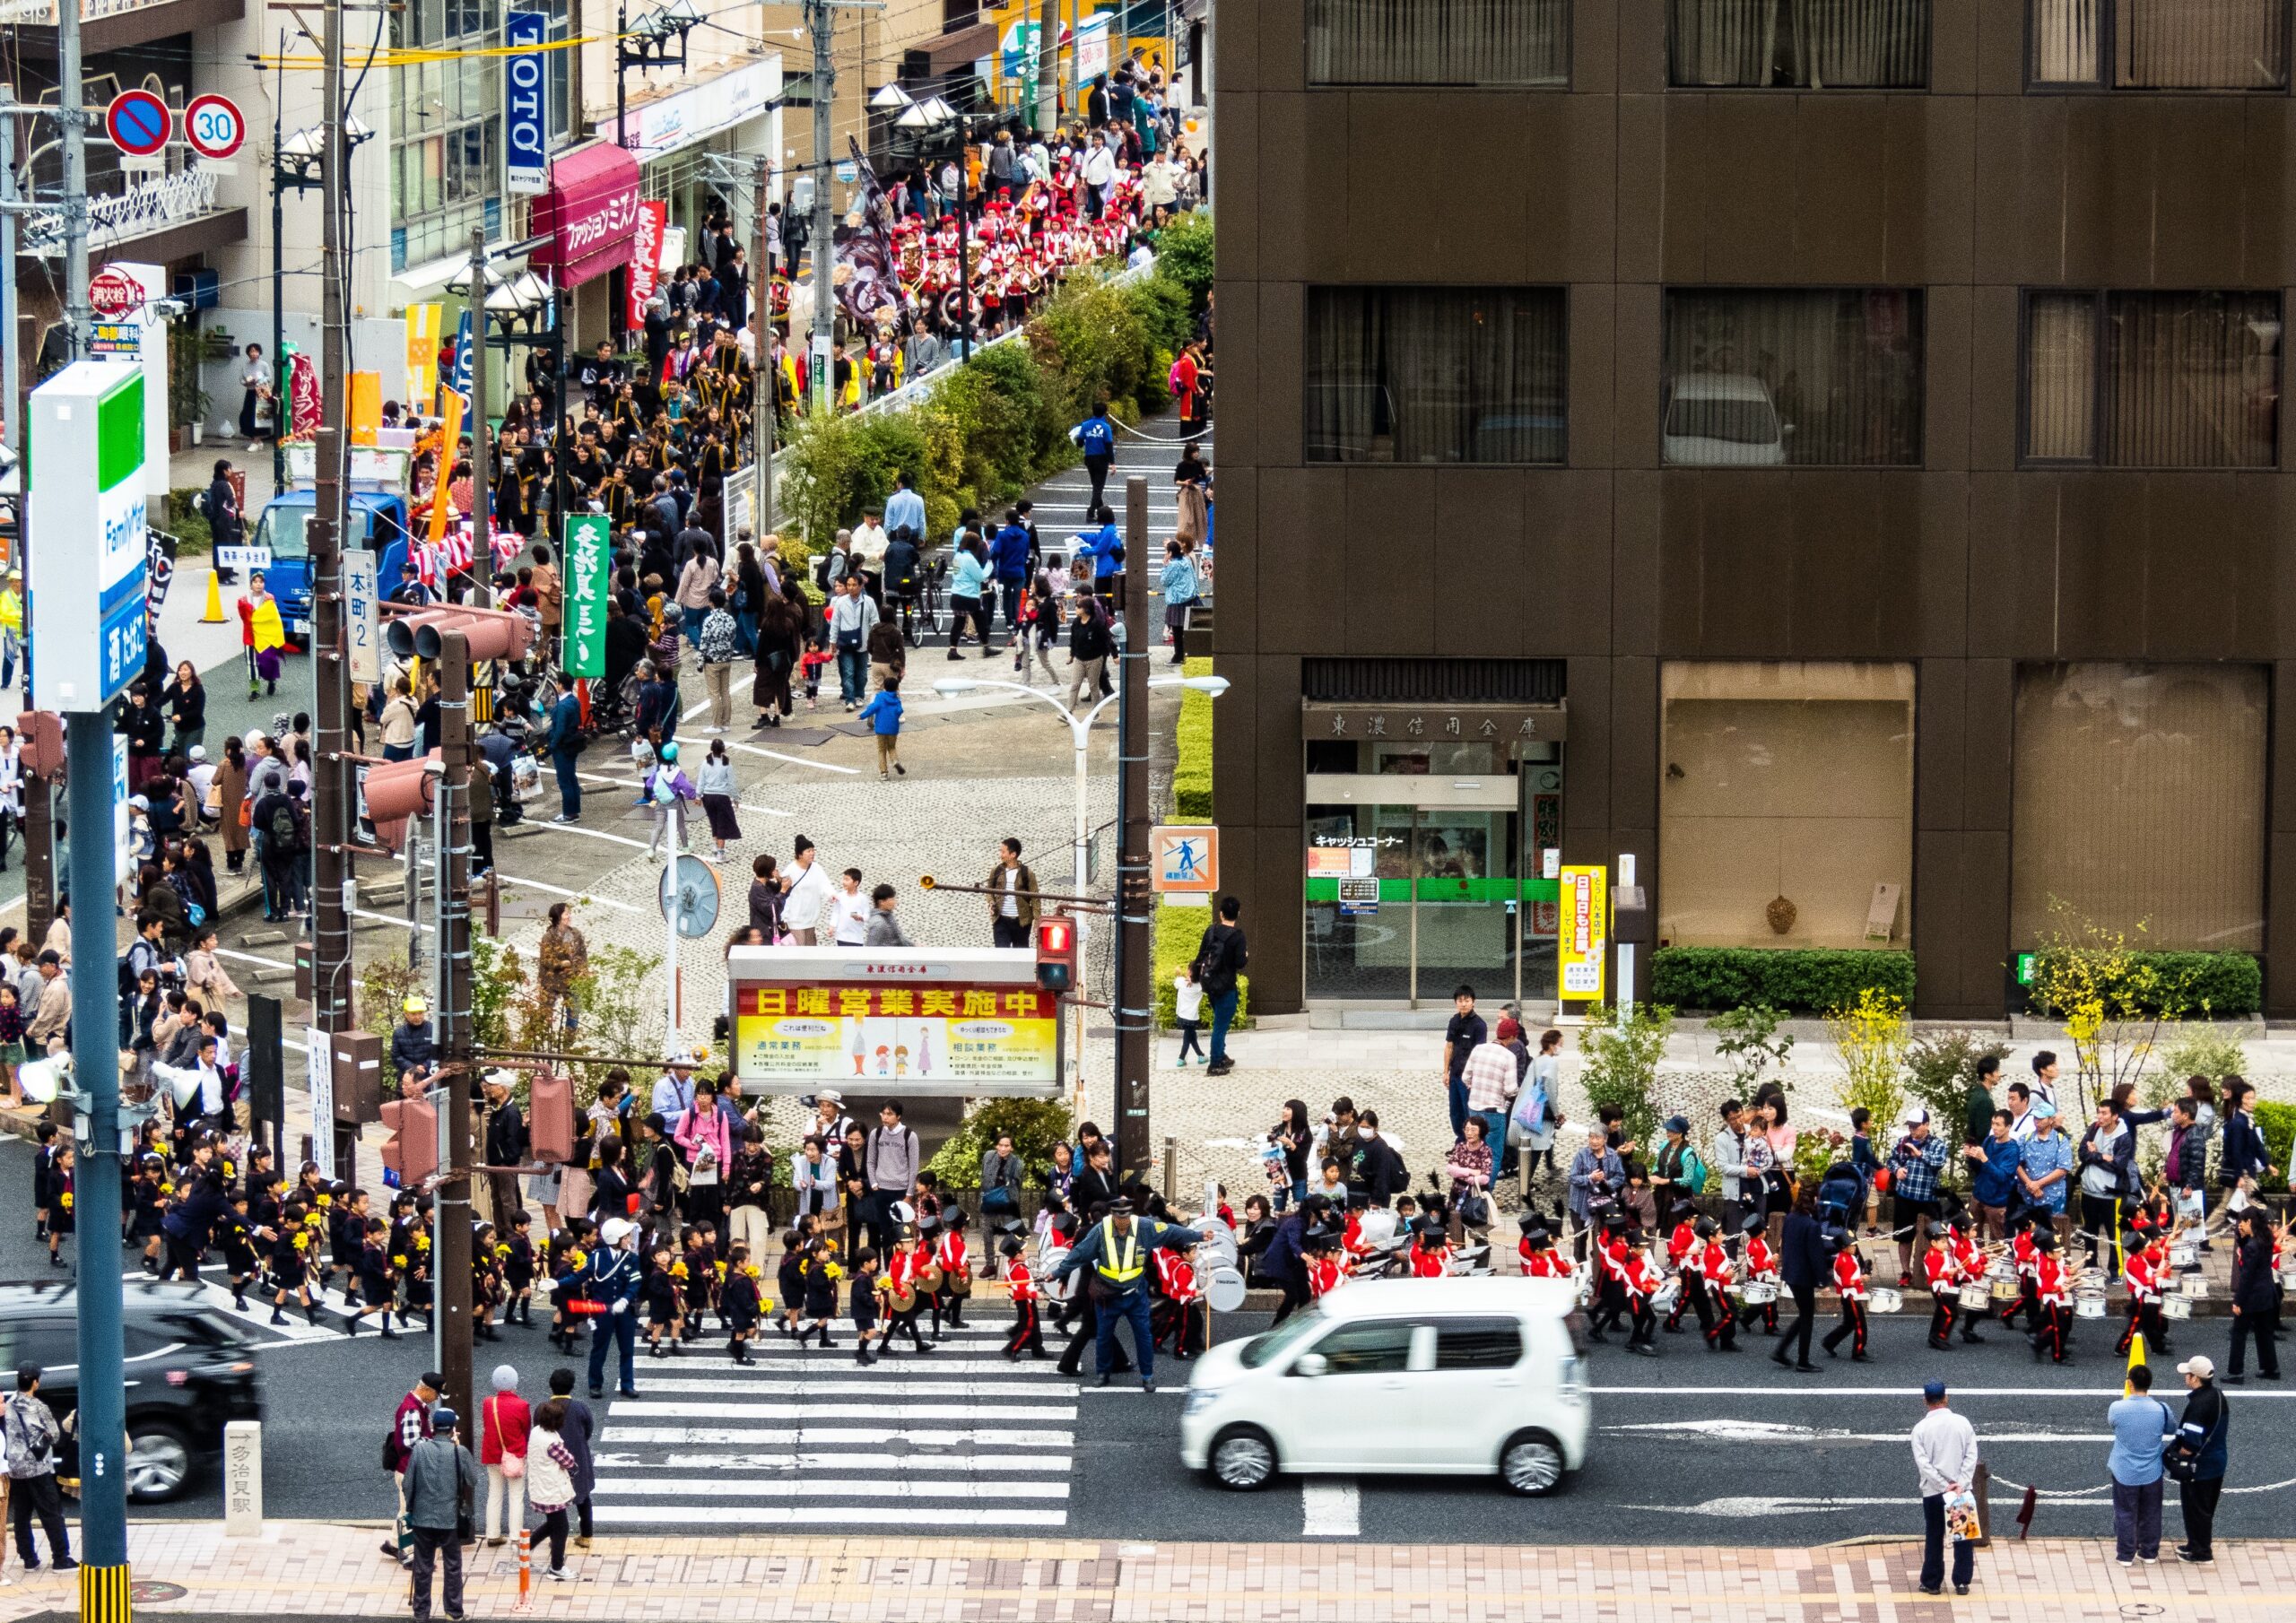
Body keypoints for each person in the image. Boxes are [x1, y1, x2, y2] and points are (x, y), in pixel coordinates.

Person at [1049, 1197, 1202, 1392]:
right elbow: (1079, 1253)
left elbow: (1171, 1231)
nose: (1123, 1222)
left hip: (1135, 1294)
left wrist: (1198, 1235)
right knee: (1104, 1336)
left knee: (1144, 1336)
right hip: (1108, 1294)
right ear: (1112, 1216)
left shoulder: (1144, 1227)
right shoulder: (1100, 1230)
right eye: (1119, 1218)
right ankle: (1103, 1373)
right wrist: (1056, 1273)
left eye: (1126, 1217)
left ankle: (1147, 1376)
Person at [399, 1402, 479, 1623]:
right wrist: (459, 1446)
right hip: (449, 1519)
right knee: (452, 1565)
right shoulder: (459, 1452)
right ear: (453, 1429)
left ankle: (421, 1612)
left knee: (423, 1565)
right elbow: (472, 1480)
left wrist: (412, 1505)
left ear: (433, 1427)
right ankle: (453, 1612)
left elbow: (407, 1484)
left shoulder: (420, 1449)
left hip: (423, 1517)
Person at [1909, 1379, 1979, 1597]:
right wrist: (1961, 1483)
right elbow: (1971, 1455)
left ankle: (1932, 1583)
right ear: (1945, 1398)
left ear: (1925, 1401)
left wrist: (1943, 1485)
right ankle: (1961, 1582)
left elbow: (1924, 1465)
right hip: (1961, 1491)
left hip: (1933, 1492)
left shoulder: (1920, 1429)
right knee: (1963, 1537)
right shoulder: (1963, 1423)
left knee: (1934, 1536)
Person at [4, 1363, 74, 1571]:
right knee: (51, 1512)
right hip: (37, 1468)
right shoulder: (39, 1407)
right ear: (35, 1382)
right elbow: (55, 1435)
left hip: (16, 1468)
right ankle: (61, 1558)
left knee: (21, 1515)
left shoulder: (9, 1403)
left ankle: (29, 1559)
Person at [2108, 1363, 2175, 1567]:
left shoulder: (2117, 1408)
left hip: (2125, 1470)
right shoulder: (2161, 1409)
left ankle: (2126, 1554)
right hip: (2152, 1471)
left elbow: (2113, 1424)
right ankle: (2149, 1552)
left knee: (2125, 1512)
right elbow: (2172, 1427)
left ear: (2129, 1383)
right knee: (2152, 1512)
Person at [2171, 1353, 2229, 1563]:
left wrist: (2179, 1454)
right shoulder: (2218, 1395)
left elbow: (2192, 1442)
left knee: (2197, 1509)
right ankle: (2195, 1544)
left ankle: (2202, 1552)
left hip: (2201, 1467)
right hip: (2217, 1461)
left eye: (2187, 1374)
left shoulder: (2198, 1404)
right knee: (2205, 1509)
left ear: (2195, 1378)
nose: (2185, 1377)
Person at [579, 1218, 645, 1400]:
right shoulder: (598, 1256)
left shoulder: (632, 1258)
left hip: (625, 1312)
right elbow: (581, 1276)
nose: (629, 1240)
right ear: (614, 1239)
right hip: (603, 1312)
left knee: (627, 1349)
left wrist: (625, 1299)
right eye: (626, 1237)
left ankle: (627, 1384)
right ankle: (595, 1384)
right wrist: (557, 1283)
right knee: (600, 1348)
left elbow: (635, 1282)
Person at [381, 1370, 442, 1566]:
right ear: (427, 1391)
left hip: (407, 1468)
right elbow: (411, 1442)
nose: (437, 1398)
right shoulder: (412, 1410)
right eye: (437, 1394)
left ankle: (393, 1543)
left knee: (404, 1508)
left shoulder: (414, 1407)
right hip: (409, 1469)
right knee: (409, 1513)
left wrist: (431, 1433)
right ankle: (408, 1555)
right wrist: (435, 1442)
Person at [1190, 896, 1248, 1074]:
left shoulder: (1211, 930)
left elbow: (1201, 955)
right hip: (1226, 985)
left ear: (1221, 913)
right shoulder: (1237, 937)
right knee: (1220, 1026)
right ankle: (1215, 1063)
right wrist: (1245, 955)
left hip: (1209, 982)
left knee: (1220, 1022)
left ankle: (1221, 1054)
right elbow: (1240, 963)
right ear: (1238, 913)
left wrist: (1194, 975)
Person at [2225, 1207, 2281, 1382]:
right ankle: (2270, 1368)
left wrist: (2238, 1301)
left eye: (2242, 1222)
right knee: (2264, 1332)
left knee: (2239, 1333)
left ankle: (2236, 1372)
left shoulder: (2251, 1246)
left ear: (2249, 1221)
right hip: (2267, 1293)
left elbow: (2247, 1276)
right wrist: (2242, 1239)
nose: (2240, 1226)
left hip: (2251, 1296)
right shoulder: (2265, 1239)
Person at [1773, 1188, 1826, 1371]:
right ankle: (1803, 1360)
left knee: (1804, 1314)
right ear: (1814, 1200)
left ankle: (1781, 1351)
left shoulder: (1790, 1218)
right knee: (1807, 1318)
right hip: (1804, 1276)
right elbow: (1816, 1255)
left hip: (1790, 1272)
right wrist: (1823, 1281)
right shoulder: (1811, 1225)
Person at [546, 673, 584, 824]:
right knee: (571, 778)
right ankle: (574, 811)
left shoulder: (562, 705)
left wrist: (552, 746)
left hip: (562, 746)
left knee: (564, 781)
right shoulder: (574, 701)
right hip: (572, 744)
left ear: (561, 685)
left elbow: (560, 729)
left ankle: (568, 813)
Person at [987, 837, 1038, 948]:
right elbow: (989, 890)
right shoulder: (996, 871)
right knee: (1001, 955)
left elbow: (1035, 898)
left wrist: (1037, 922)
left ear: (1013, 854)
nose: (1001, 854)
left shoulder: (1027, 873)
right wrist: (991, 903)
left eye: (1003, 852)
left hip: (1022, 922)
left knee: (1020, 955)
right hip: (1001, 921)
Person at [857, 674, 906, 779]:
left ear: (885, 687)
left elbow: (873, 708)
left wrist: (862, 715)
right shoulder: (897, 699)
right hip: (893, 728)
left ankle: (884, 773)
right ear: (896, 687)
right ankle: (895, 761)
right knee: (892, 747)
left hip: (881, 728)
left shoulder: (880, 697)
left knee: (881, 750)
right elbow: (900, 711)